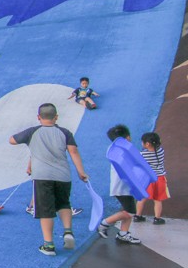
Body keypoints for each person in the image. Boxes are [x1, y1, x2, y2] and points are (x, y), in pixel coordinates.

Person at [10, 103, 89, 256]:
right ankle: (68, 231)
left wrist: (29, 141)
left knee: (46, 211)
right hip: (63, 175)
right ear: (56, 117)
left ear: (39, 117)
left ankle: (49, 245)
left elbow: (12, 140)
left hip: (42, 176)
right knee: (64, 204)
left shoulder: (33, 132)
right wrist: (81, 172)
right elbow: (73, 152)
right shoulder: (65, 132)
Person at [96, 124, 143, 244]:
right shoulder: (125, 151)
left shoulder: (114, 149)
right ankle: (104, 223)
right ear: (127, 138)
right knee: (130, 211)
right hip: (123, 187)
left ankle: (123, 233)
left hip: (123, 186)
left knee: (128, 209)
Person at [135, 132, 169, 224]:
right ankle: (157, 219)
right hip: (159, 178)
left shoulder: (142, 154)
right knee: (157, 200)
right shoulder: (161, 151)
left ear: (147, 144)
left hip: (146, 179)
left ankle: (137, 216)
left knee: (142, 198)